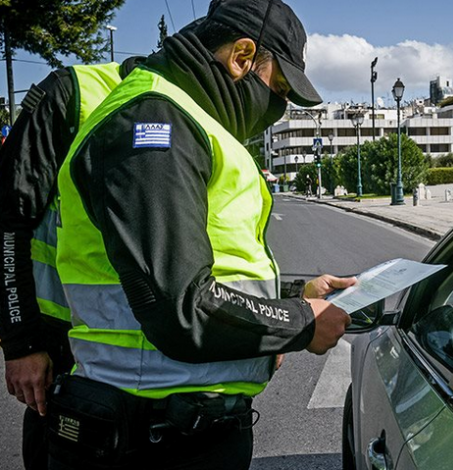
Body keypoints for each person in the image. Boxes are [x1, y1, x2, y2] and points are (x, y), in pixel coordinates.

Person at [46, 1, 357, 468]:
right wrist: (300, 322)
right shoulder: (154, 124)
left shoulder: (188, 120)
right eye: (279, 87)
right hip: (148, 436)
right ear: (242, 56)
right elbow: (182, 307)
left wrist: (297, 293)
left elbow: (203, 272)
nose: (279, 106)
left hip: (180, 428)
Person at [0, 55, 144, 470]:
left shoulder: (197, 110)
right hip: (63, 343)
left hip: (150, 344)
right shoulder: (73, 94)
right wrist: (21, 344)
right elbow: (10, 221)